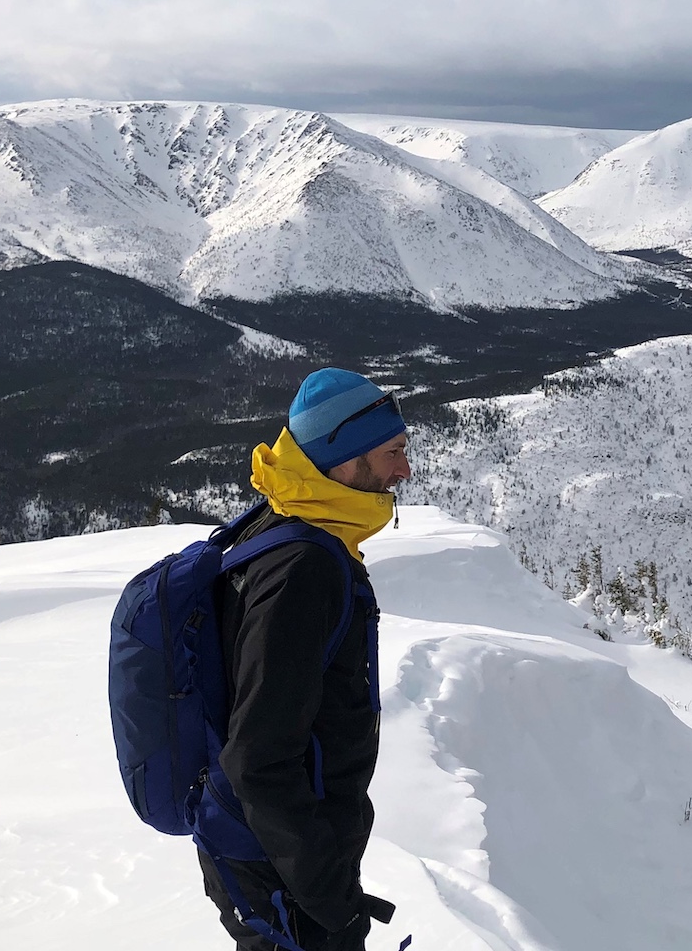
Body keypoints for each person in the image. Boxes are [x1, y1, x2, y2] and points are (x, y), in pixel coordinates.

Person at [201, 368, 410, 951]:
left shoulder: (284, 522)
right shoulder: (305, 569)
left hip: (271, 855)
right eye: (392, 452)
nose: (405, 470)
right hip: (282, 875)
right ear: (342, 458)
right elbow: (258, 757)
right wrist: (330, 902)